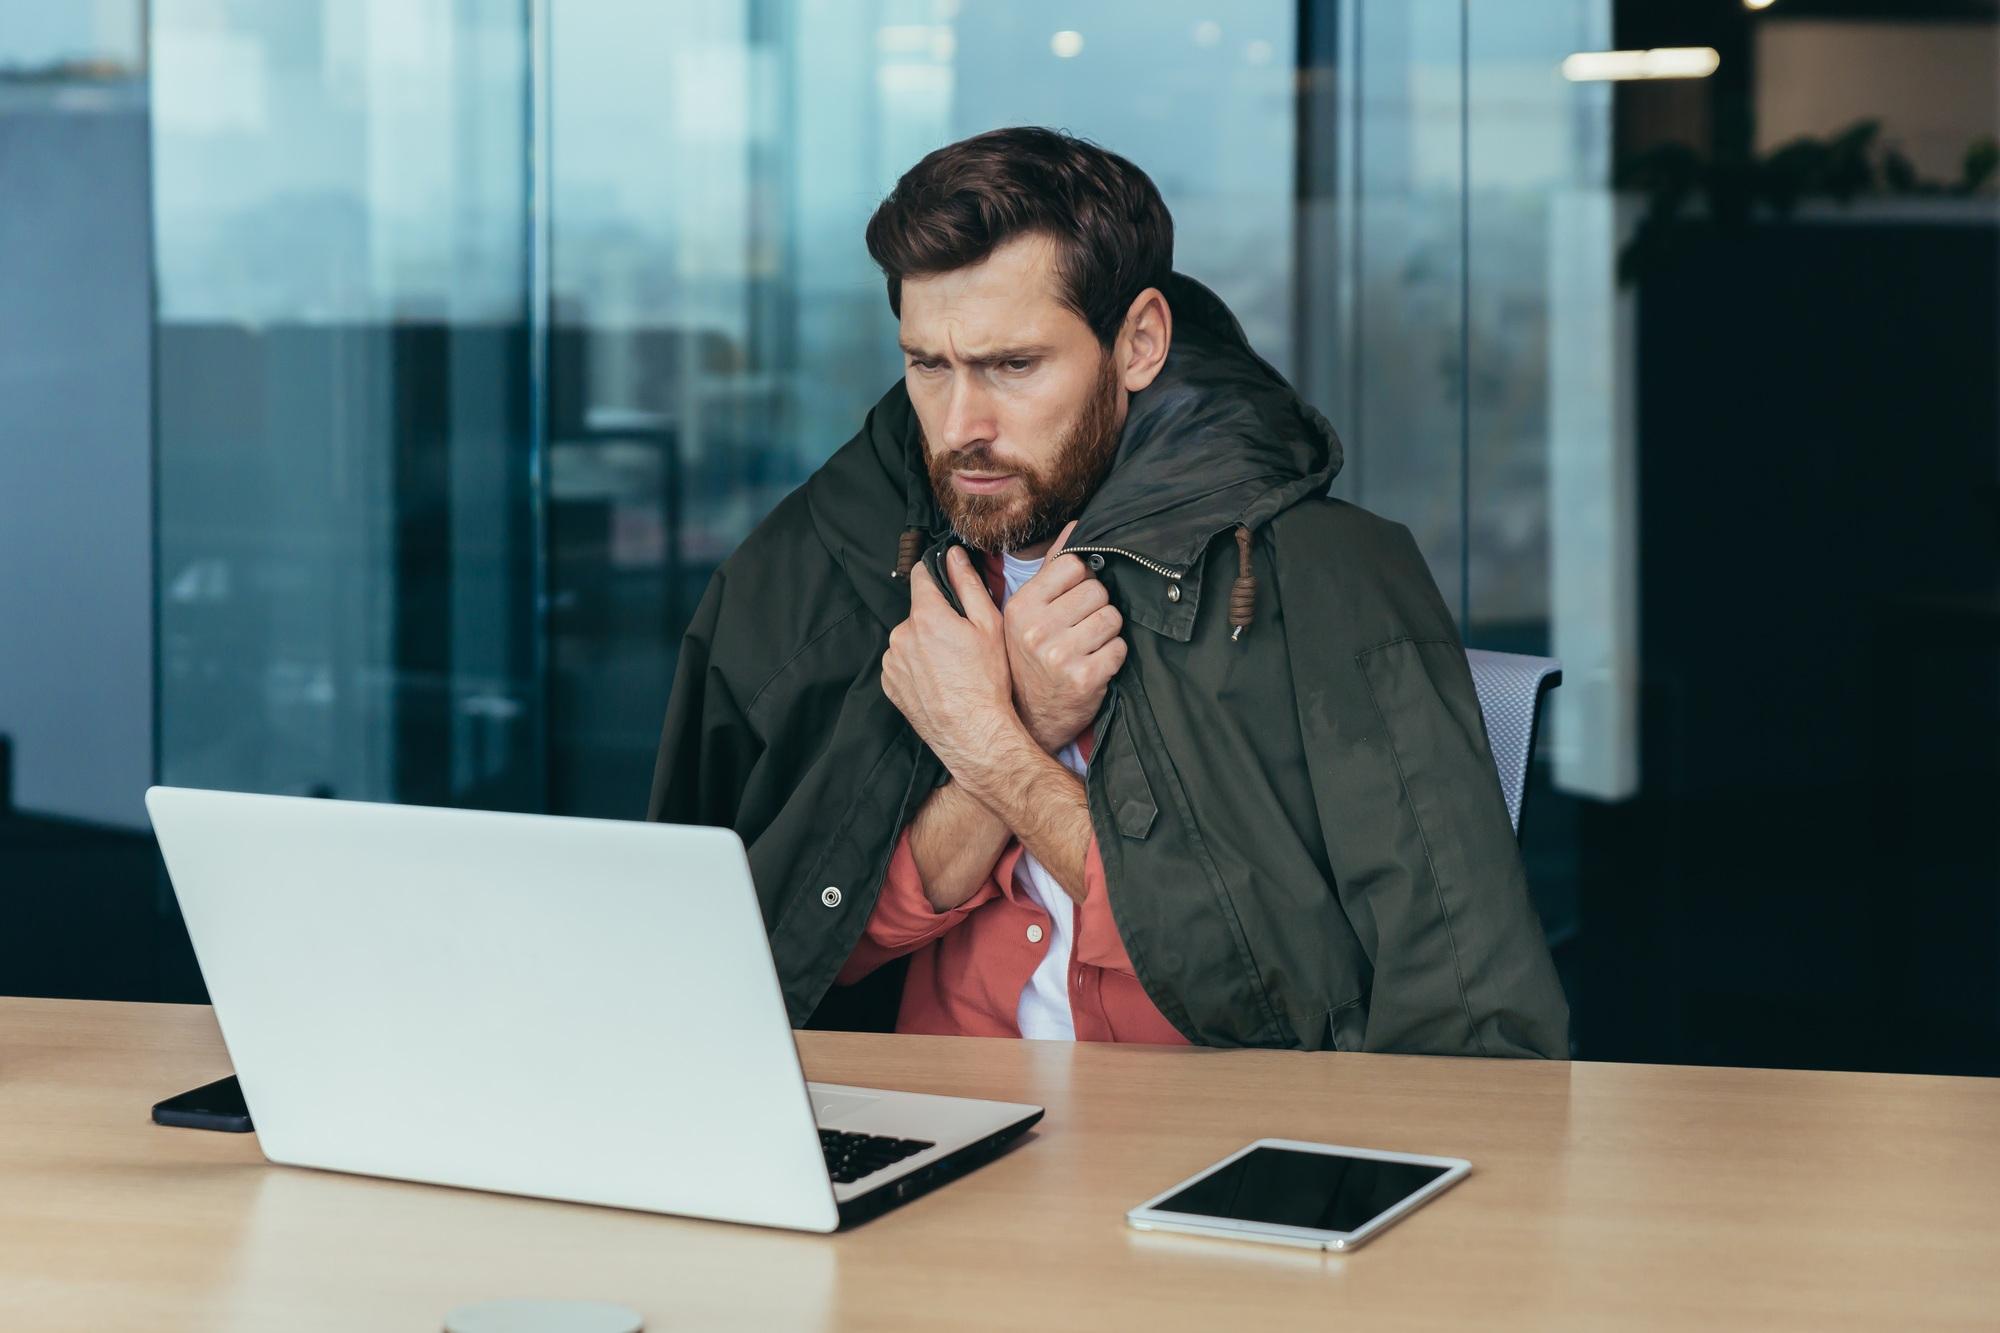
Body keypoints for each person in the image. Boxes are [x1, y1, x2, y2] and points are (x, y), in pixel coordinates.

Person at [649, 127, 1568, 1056]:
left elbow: (1392, 1012)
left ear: (1139, 343)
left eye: (1014, 365)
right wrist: (1019, 727)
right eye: (928, 364)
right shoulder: (821, 571)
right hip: (920, 1119)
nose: (961, 426)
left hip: (1211, 1130)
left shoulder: (1327, 573)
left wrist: (996, 746)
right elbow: (757, 967)